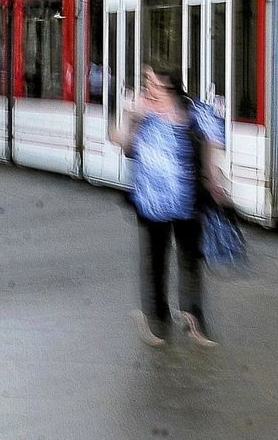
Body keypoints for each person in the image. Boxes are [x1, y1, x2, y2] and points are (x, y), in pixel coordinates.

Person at [109, 65, 226, 347]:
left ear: (168, 87)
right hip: (151, 201)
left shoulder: (192, 111)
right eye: (146, 82)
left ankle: (193, 319)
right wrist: (130, 117)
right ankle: (157, 318)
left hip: (188, 200)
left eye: (152, 83)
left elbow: (213, 142)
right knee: (155, 262)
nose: (147, 88)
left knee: (190, 262)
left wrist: (214, 177)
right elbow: (122, 144)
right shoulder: (142, 112)